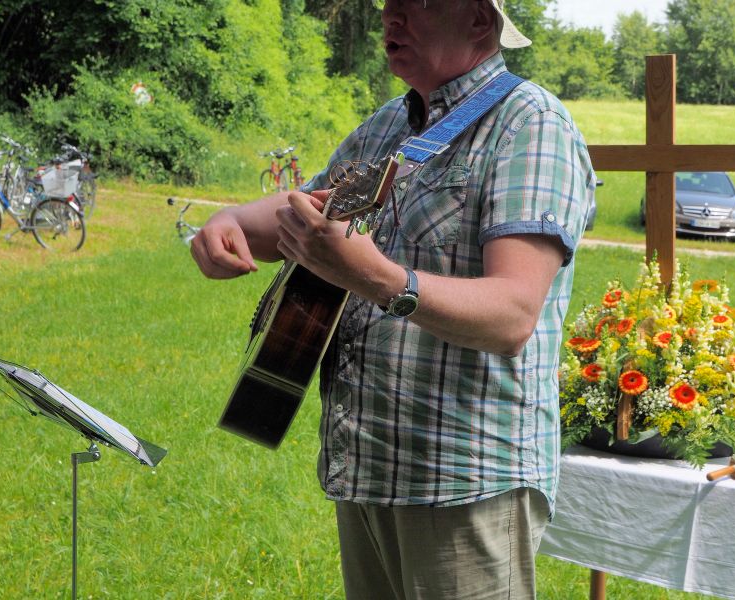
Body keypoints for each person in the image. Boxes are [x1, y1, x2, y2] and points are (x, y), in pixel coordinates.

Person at [190, 0, 596, 598]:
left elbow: (513, 315)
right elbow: (300, 212)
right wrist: (227, 221)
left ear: (480, 21)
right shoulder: (387, 126)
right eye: (388, 5)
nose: (391, 18)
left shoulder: (530, 124)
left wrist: (378, 278)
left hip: (467, 479)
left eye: (414, 5)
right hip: (372, 468)